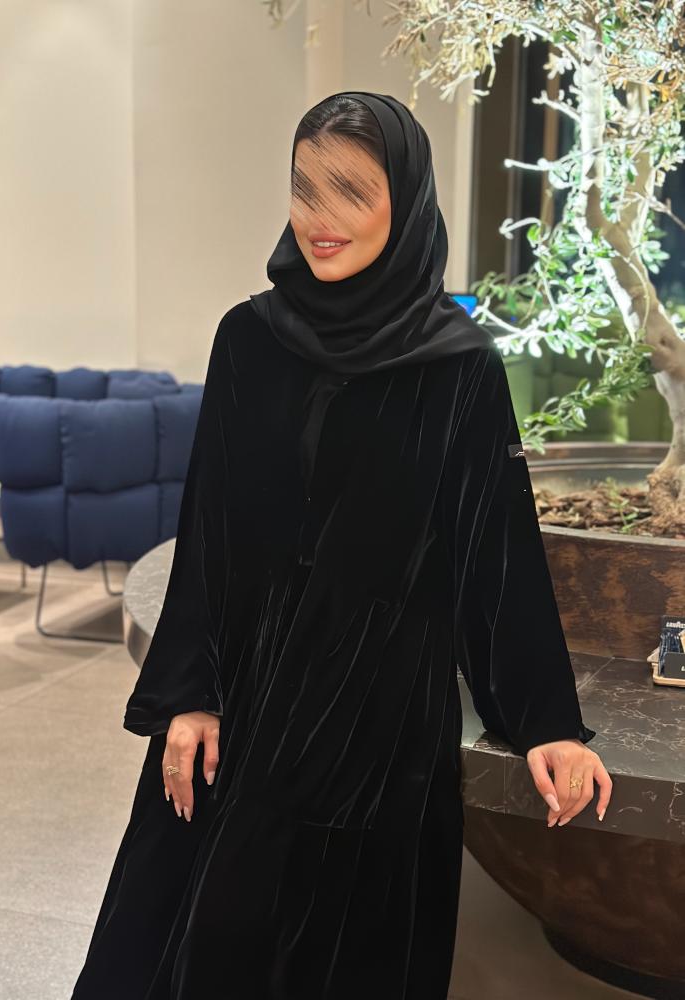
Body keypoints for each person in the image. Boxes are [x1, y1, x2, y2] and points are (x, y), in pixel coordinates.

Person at [70, 91, 612, 1000]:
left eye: (352, 192)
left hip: (380, 729)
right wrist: (190, 694)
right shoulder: (249, 341)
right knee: (197, 947)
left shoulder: (460, 368)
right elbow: (209, 530)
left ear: (406, 201)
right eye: (305, 188)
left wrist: (546, 721)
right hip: (248, 704)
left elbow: (495, 557)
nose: (320, 218)